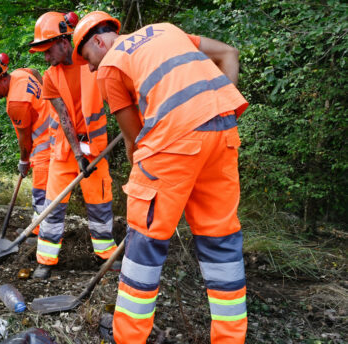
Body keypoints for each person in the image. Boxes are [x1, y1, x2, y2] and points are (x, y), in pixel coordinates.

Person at [72, 11, 249, 344]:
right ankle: (230, 339)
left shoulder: (110, 66)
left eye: (88, 59)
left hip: (172, 144)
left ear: (99, 41)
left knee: (145, 245)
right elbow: (229, 53)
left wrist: (141, 184)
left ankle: (127, 338)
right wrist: (212, 110)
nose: (91, 67)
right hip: (223, 134)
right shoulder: (165, 30)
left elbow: (134, 142)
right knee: (221, 241)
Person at [28, 11, 118, 279]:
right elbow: (64, 118)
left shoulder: (95, 61)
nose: (45, 57)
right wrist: (77, 154)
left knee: (100, 204)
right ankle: (46, 260)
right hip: (65, 150)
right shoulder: (50, 77)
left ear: (64, 42)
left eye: (48, 50)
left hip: (98, 148)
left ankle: (107, 257)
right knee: (52, 205)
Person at [0, 53, 52, 236]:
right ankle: (38, 229)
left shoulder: (16, 103)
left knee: (41, 196)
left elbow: (24, 138)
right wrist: (46, 94)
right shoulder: (20, 74)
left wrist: (24, 161)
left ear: (2, 79)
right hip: (53, 133)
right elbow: (34, 71)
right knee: (46, 193)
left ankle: (43, 236)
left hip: (47, 146)